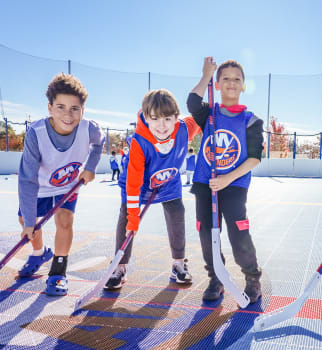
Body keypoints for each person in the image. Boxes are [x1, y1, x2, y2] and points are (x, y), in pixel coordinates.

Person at [17, 73, 104, 296]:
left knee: (64, 221)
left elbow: (100, 141)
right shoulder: (36, 134)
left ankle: (58, 272)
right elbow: (27, 179)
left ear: (82, 111)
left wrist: (91, 167)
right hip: (40, 186)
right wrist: (28, 222)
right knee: (27, 222)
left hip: (68, 185)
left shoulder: (89, 129)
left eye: (75, 108)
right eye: (61, 107)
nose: (68, 114)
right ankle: (39, 253)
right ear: (50, 108)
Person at [104, 89, 200, 289]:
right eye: (155, 118)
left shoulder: (183, 129)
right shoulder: (140, 142)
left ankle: (178, 264)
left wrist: (213, 108)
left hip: (168, 183)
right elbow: (133, 183)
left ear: (176, 117)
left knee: (176, 212)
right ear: (146, 117)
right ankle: (119, 267)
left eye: (168, 119)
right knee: (127, 219)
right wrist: (133, 217)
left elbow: (201, 113)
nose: (162, 125)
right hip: (138, 187)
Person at [187, 57, 264, 304]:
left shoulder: (251, 119)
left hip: (234, 185)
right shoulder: (209, 114)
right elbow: (191, 102)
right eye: (225, 78)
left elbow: (254, 158)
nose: (231, 83)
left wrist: (227, 178)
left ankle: (252, 278)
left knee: (238, 233)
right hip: (205, 183)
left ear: (243, 85)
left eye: (237, 79)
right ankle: (216, 277)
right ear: (217, 84)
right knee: (207, 234)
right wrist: (206, 75)